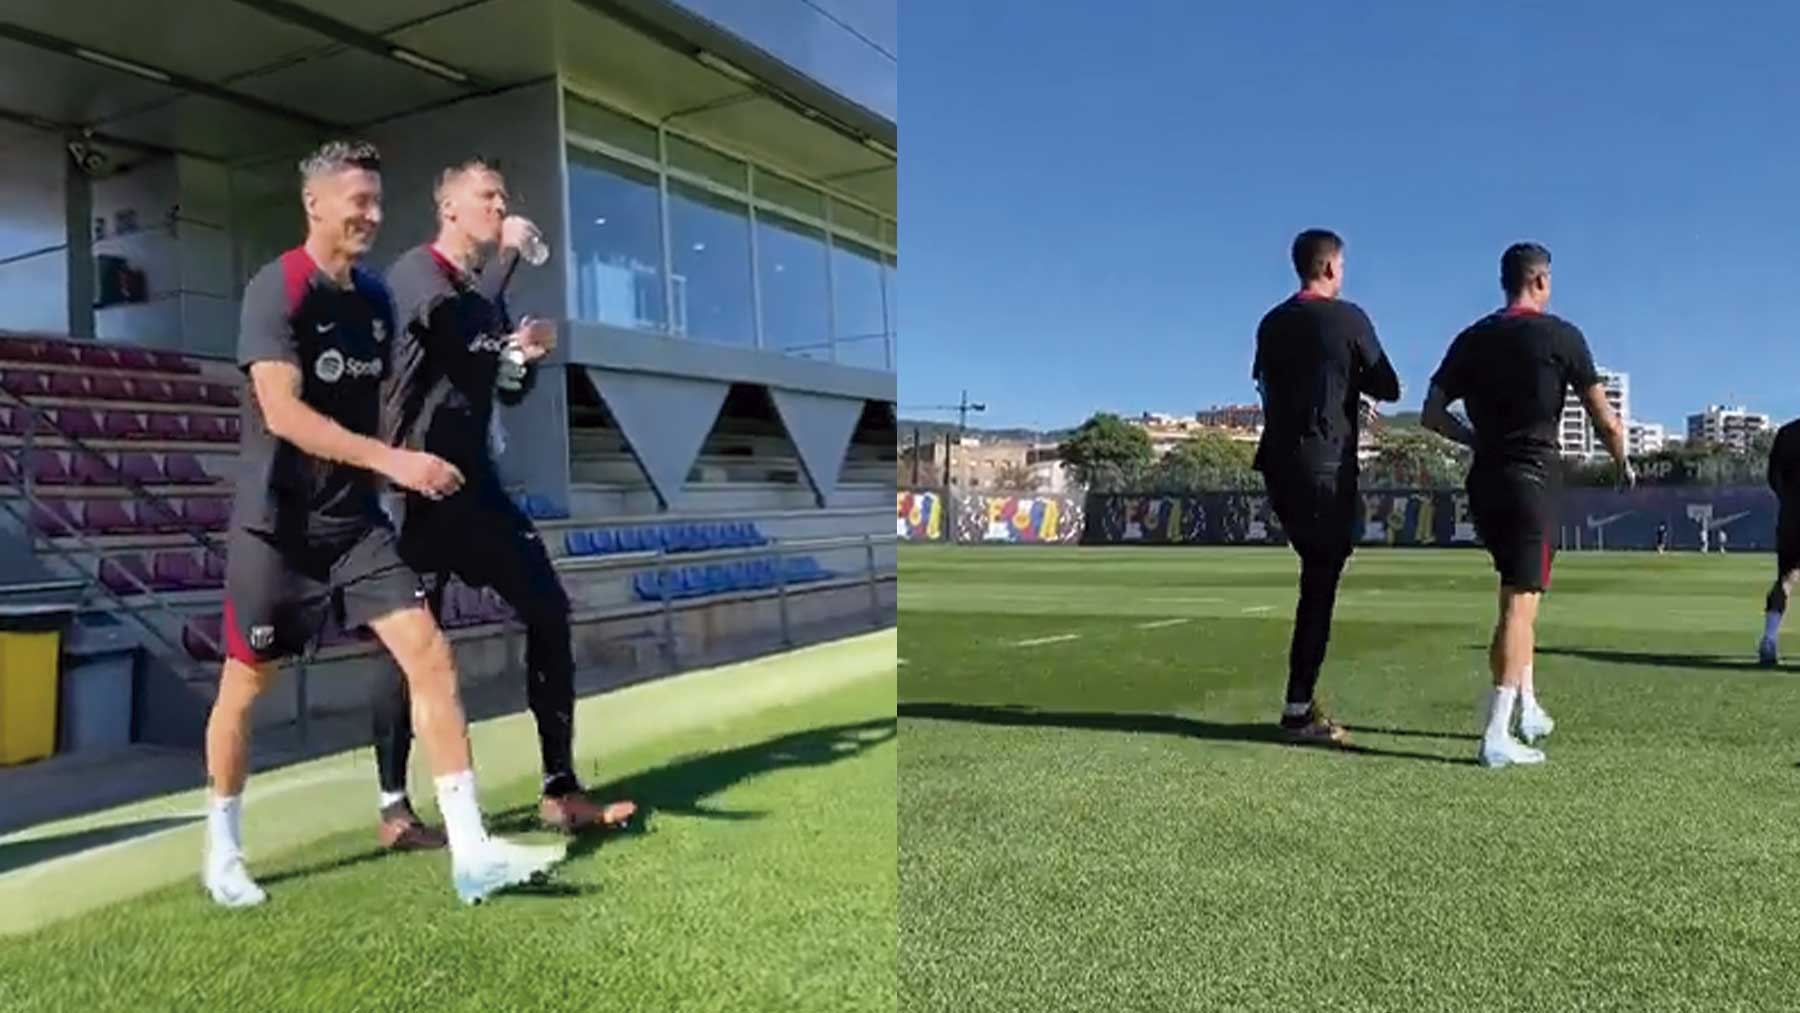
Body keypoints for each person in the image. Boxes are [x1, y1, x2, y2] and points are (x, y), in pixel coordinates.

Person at [202, 140, 564, 907]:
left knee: (429, 654)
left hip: (356, 525)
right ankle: (222, 848)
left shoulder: (373, 298)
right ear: (316, 205)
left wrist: (506, 362)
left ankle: (471, 852)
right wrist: (396, 463)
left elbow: (427, 368)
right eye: (357, 201)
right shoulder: (279, 290)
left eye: (376, 201)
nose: (371, 214)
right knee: (246, 686)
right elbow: (284, 413)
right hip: (277, 529)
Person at [366, 157, 635, 849]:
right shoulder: (417, 274)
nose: (501, 206)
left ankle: (559, 788)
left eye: (504, 199)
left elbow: (500, 380)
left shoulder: (485, 297)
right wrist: (513, 251)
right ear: (451, 209)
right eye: (488, 197)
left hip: (476, 486)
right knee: (409, 650)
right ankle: (395, 809)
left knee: (548, 607)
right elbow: (465, 327)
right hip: (414, 487)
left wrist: (524, 357)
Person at [1422, 242, 1633, 768]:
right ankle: (1496, 734)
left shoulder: (1472, 337)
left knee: (1517, 596)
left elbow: (1430, 413)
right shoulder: (1561, 336)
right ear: (1542, 281)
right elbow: (1604, 419)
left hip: (1487, 478)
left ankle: (1527, 708)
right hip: (1533, 480)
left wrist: (1474, 441)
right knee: (1520, 602)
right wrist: (1623, 461)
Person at [1251, 229, 1400, 745]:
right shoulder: (1347, 318)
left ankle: (1300, 703)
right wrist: (1351, 378)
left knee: (1320, 566)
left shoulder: (1270, 324)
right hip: (1325, 463)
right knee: (1321, 578)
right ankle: (1298, 711)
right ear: (1332, 268)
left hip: (1277, 463)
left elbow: (1266, 385)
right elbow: (1390, 384)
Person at [1756, 419, 1800, 664]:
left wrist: (1789, 501)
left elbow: (1773, 477)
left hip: (1791, 516)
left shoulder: (1787, 433)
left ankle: (1769, 639)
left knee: (1785, 578)